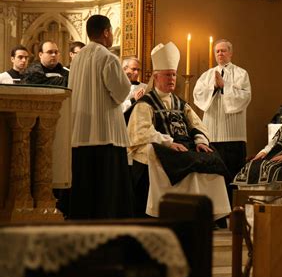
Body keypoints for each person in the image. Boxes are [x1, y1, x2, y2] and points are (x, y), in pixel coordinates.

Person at [127, 42, 231, 219]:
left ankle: (208, 213)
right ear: (156, 77)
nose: (172, 79)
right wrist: (169, 143)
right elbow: (141, 131)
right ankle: (168, 212)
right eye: (167, 75)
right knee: (179, 160)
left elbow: (197, 125)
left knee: (212, 158)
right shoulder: (146, 103)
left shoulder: (180, 103)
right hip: (162, 146)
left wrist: (200, 141)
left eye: (174, 75)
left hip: (186, 146)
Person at [68, 14, 133, 219]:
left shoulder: (77, 58)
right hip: (106, 134)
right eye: (111, 31)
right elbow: (121, 92)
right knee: (107, 193)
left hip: (80, 134)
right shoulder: (107, 57)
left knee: (85, 191)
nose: (112, 35)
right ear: (106, 32)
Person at [193, 39, 251, 204]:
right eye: (217, 51)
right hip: (212, 134)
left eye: (223, 50)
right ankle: (216, 213)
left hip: (234, 135)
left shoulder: (241, 74)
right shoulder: (206, 76)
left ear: (231, 53)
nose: (220, 53)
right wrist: (214, 88)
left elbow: (245, 97)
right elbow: (198, 95)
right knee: (212, 177)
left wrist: (224, 86)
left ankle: (234, 213)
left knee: (233, 177)